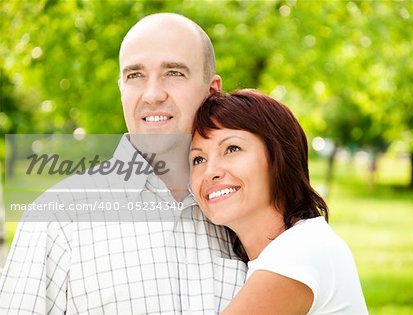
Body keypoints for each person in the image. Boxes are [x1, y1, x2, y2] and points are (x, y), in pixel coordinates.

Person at [0, 13, 246, 314]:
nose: (153, 94)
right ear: (121, 89)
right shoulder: (58, 217)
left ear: (212, 92)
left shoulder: (247, 209)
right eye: (134, 75)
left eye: (174, 73)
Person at [190, 89, 368, 314]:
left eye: (232, 148)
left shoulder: (298, 253)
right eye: (198, 159)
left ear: (278, 157)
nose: (210, 171)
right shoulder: (286, 250)